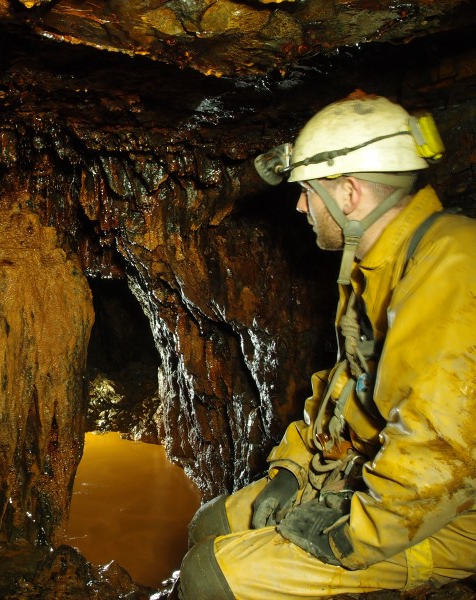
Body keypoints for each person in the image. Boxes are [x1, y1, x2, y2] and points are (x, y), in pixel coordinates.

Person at [175, 92, 476, 599]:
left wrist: (344, 536)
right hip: (364, 474)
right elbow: (342, 389)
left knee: (209, 576)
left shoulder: (451, 265)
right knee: (210, 523)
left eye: (308, 191)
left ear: (350, 194)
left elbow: (440, 450)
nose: (300, 205)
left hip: (447, 514)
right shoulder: (376, 266)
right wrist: (293, 470)